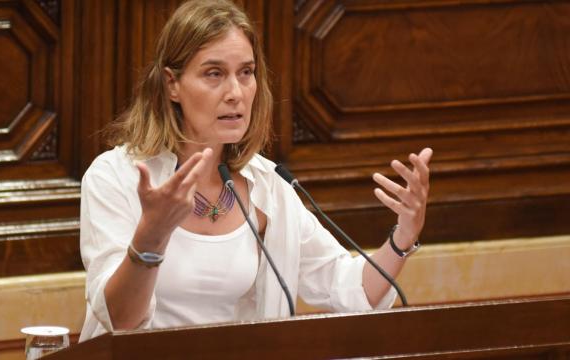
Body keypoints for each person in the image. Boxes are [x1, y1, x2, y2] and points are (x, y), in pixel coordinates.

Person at [79, 0, 432, 341]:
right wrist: (151, 237)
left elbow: (348, 288)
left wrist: (403, 235)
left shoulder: (268, 185)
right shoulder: (116, 178)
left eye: (245, 73)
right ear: (172, 84)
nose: (236, 93)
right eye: (214, 74)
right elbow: (119, 321)